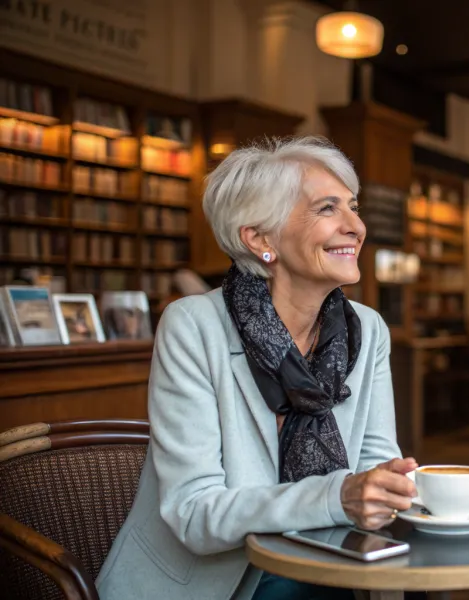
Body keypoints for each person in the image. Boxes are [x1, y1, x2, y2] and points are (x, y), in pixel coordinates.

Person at [96, 137, 418, 600]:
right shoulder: (193, 326)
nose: (356, 227)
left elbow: (376, 471)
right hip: (210, 582)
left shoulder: (367, 330)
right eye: (328, 209)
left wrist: (393, 493)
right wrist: (337, 497)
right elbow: (195, 514)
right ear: (260, 238)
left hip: (330, 564)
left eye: (353, 206)